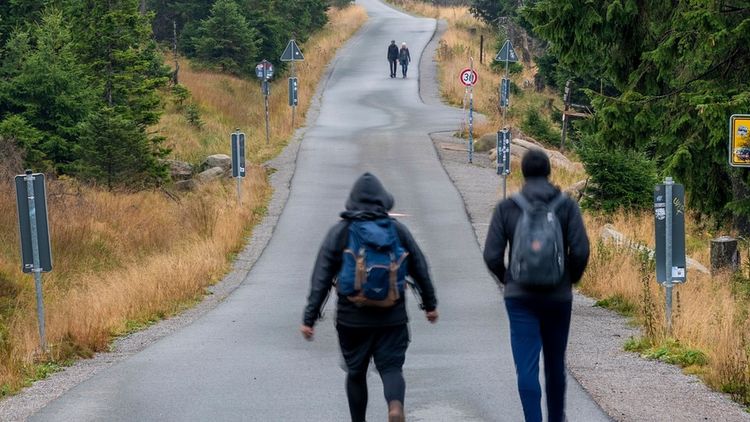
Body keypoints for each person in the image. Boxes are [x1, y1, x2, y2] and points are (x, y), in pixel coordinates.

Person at [301, 172, 439, 422]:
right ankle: (395, 406)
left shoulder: (341, 232)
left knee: (356, 372)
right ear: (383, 200)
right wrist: (430, 305)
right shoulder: (397, 230)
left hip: (352, 318)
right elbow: (419, 266)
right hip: (392, 315)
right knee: (392, 368)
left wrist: (309, 318)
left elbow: (321, 276)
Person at [482, 149, 590, 422]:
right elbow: (580, 250)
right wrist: (569, 279)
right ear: (549, 172)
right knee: (555, 365)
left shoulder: (507, 207)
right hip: (558, 297)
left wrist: (507, 278)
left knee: (526, 367)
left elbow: (492, 255)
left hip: (520, 299)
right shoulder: (566, 206)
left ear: (524, 173)